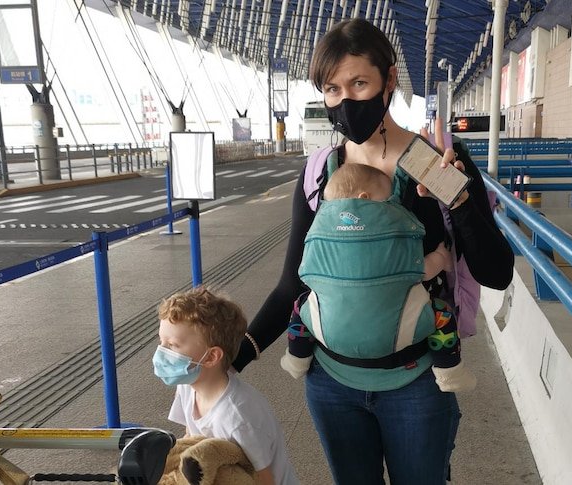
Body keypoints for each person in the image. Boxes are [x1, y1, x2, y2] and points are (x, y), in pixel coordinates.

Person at [232, 18, 514, 485]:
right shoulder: (321, 172)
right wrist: (235, 357)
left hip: (420, 382)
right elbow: (295, 282)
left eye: (359, 83)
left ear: (389, 80)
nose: (346, 100)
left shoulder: (438, 158)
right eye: (332, 88)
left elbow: (497, 272)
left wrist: (458, 199)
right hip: (331, 384)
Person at [279, 162, 475, 393]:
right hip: (399, 336)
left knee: (300, 307)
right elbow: (420, 270)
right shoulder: (390, 229)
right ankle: (449, 372)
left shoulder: (320, 230)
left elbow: (305, 276)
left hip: (329, 335)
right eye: (387, 198)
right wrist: (441, 258)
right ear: (365, 198)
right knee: (442, 315)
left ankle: (296, 359)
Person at [153, 286, 299, 485]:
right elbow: (190, 441)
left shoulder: (238, 415)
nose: (161, 351)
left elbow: (264, 477)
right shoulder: (188, 386)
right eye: (161, 341)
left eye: (172, 345)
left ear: (212, 356)